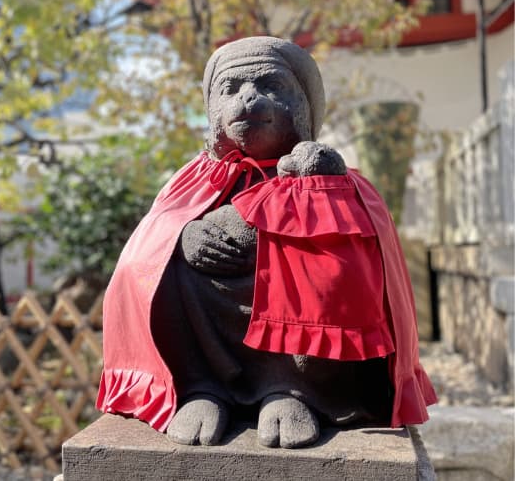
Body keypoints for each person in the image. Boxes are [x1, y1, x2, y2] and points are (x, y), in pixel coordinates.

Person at [96, 36, 436, 448]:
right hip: (206, 315)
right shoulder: (197, 176)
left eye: (271, 86)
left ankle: (295, 391)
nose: (250, 98)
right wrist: (180, 238)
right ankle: (202, 388)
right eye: (231, 89)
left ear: (304, 105)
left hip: (299, 351)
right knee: (155, 269)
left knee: (331, 267)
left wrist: (313, 199)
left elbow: (361, 248)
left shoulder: (325, 170)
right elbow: (152, 239)